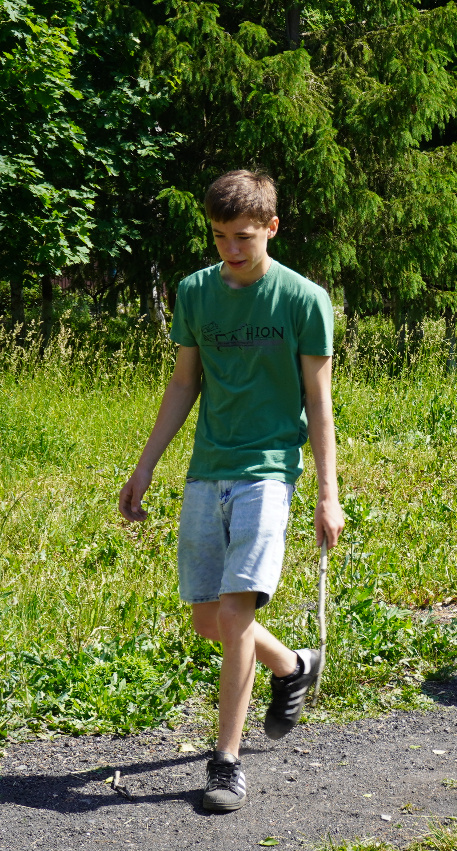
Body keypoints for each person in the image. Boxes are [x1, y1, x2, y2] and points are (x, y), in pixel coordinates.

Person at [118, 170, 344, 812]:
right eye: (219, 236)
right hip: (206, 466)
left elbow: (319, 401)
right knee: (207, 620)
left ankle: (225, 763)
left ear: (272, 227)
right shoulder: (194, 292)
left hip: (270, 469)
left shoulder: (303, 299)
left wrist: (329, 493)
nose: (230, 249)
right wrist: (145, 466)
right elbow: (183, 385)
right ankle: (291, 667)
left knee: (236, 613)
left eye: (243, 236)